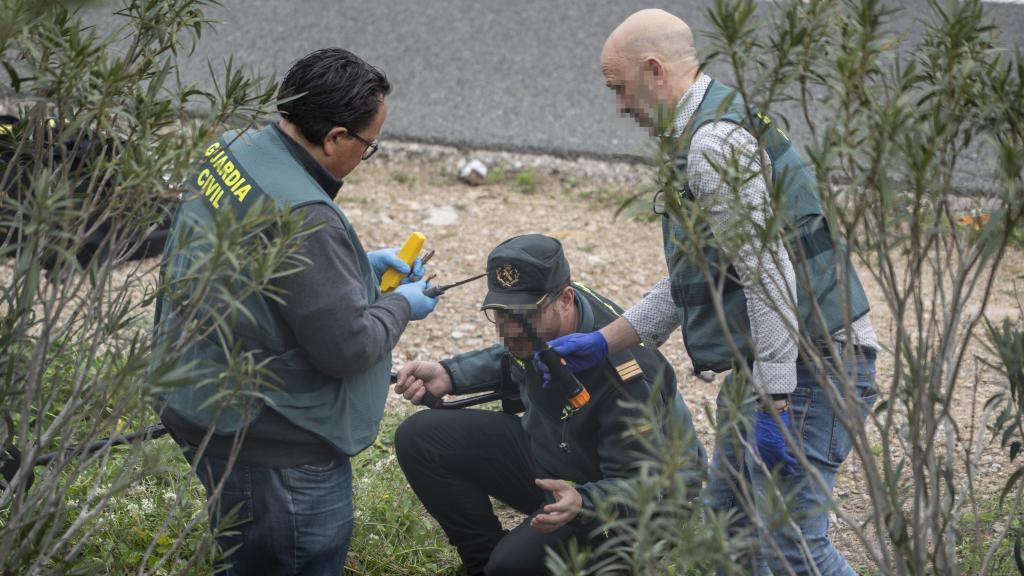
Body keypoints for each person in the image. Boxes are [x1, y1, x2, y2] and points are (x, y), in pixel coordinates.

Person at [546, 9, 881, 576]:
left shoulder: (713, 145)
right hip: (776, 372)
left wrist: (776, 396)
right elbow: (700, 280)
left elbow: (766, 269)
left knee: (791, 549)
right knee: (726, 537)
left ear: (653, 71)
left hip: (811, 371)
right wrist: (605, 341)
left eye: (619, 89)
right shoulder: (710, 129)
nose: (620, 107)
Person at [150, 48, 438, 576]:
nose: (365, 156)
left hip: (194, 394)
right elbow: (347, 347)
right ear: (334, 138)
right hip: (273, 443)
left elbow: (252, 262)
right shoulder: (307, 216)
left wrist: (354, 264)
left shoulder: (232, 149)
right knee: (293, 558)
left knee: (248, 551)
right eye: (368, 146)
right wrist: (401, 304)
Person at [393, 234, 706, 576]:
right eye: (501, 314)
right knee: (420, 437)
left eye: (524, 316)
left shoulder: (628, 376)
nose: (510, 330)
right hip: (559, 460)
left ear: (566, 300)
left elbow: (642, 487)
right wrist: (450, 374)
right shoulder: (547, 317)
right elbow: (519, 356)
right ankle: (482, 564)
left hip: (629, 503)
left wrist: (583, 503)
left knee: (510, 568)